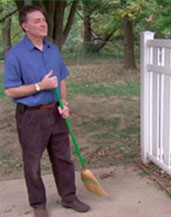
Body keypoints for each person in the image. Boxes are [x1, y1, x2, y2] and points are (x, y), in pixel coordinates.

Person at [3, 5, 89, 217]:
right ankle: (38, 204)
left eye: (44, 20)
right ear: (25, 26)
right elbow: (10, 91)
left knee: (63, 159)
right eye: (37, 21)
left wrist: (65, 103)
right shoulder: (15, 54)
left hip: (56, 113)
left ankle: (69, 197)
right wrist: (40, 86)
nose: (43, 24)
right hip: (32, 116)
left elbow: (61, 80)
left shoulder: (53, 49)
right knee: (32, 163)